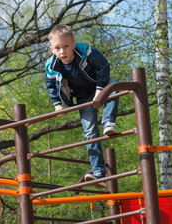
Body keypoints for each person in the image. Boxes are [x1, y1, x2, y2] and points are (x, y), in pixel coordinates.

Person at [45, 24, 119, 188]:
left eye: (66, 46)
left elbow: (103, 65)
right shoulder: (51, 66)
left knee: (114, 84)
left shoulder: (86, 51)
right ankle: (99, 172)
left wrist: (99, 91)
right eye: (57, 48)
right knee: (89, 131)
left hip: (100, 85)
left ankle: (108, 122)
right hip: (83, 97)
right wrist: (57, 105)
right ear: (51, 49)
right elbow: (50, 86)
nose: (62, 52)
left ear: (73, 44)